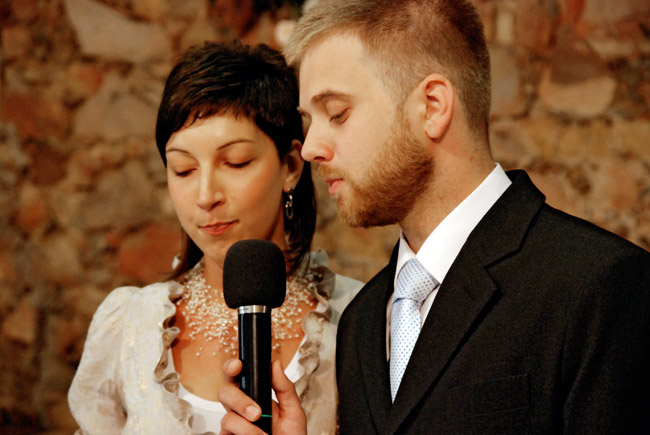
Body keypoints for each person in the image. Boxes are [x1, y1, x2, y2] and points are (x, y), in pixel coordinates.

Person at [218, 0, 650, 433]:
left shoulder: (600, 287)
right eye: (309, 121)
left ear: (432, 106)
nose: (312, 147)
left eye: (337, 114)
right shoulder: (362, 321)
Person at [67, 41, 362, 434]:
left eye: (235, 162)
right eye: (183, 169)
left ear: (291, 166)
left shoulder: (359, 319)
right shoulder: (129, 325)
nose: (206, 196)